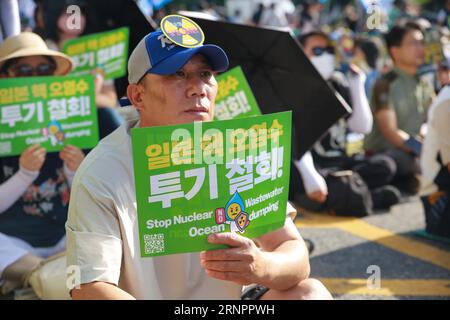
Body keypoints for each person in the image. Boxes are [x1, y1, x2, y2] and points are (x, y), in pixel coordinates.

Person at [66, 26, 333, 300]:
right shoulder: (103, 171)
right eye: (177, 74)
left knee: (310, 294)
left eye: (205, 74)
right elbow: (89, 286)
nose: (197, 89)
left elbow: (294, 251)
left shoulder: (235, 149)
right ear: (137, 96)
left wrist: (262, 265)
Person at [0, 32, 85, 294]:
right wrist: (24, 174)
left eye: (43, 69)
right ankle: (43, 276)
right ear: (5, 77)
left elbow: (95, 198)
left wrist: (76, 172)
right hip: (14, 242)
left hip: (65, 235)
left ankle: (37, 278)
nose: (35, 77)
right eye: (23, 70)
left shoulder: (74, 120)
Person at [293, 30, 400, 212]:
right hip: (316, 167)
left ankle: (357, 194)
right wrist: (310, 175)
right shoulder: (295, 87)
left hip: (341, 162)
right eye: (317, 50)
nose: (325, 55)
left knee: (385, 166)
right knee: (332, 188)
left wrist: (357, 85)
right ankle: (368, 196)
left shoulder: (338, 83)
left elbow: (362, 126)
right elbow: (292, 141)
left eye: (329, 50)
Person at [365, 22, 436, 195]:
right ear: (395, 51)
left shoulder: (424, 83)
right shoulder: (385, 83)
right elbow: (390, 131)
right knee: (392, 164)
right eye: (414, 43)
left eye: (422, 43)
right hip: (387, 153)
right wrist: (424, 150)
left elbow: (434, 119)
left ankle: (403, 183)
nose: (420, 48)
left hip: (415, 150)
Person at [35, 0, 123, 138]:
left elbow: (110, 99)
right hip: (59, 123)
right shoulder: (44, 51)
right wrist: (92, 93)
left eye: (80, 12)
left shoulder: (96, 51)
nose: (75, 18)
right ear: (54, 15)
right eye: (68, 13)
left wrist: (87, 98)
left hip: (96, 119)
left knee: (108, 115)